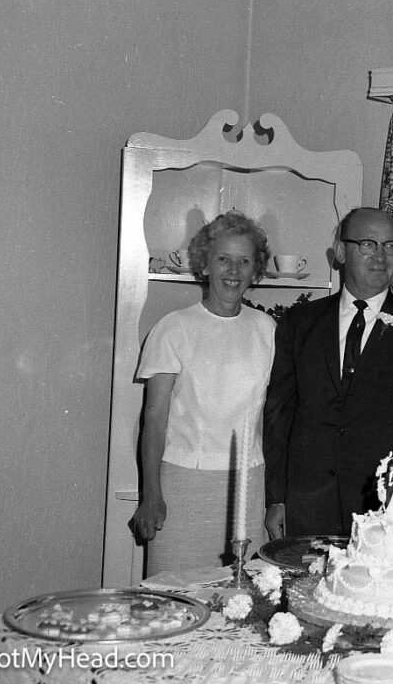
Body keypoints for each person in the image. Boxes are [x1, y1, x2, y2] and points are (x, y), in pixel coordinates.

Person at [263, 207, 393, 538]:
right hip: (309, 505)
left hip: (388, 511)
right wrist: (277, 498)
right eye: (367, 244)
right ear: (339, 251)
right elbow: (280, 417)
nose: (381, 255)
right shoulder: (299, 323)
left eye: (391, 245)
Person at [132, 211, 275, 575]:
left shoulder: (267, 330)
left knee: (241, 600)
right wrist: (151, 495)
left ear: (255, 271)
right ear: (205, 265)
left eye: (244, 261)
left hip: (246, 487)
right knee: (174, 600)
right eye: (223, 258)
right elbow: (154, 419)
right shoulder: (173, 328)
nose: (233, 270)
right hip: (183, 486)